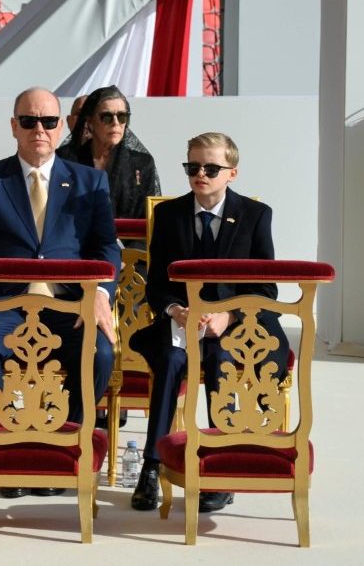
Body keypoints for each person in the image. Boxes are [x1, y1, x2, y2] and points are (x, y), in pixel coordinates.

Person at [0, 87, 120, 498]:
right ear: (13, 126)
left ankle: (63, 452)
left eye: (48, 121)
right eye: (28, 121)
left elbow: (106, 246)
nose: (38, 129)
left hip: (68, 305)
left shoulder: (90, 181)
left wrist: (101, 293)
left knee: (100, 354)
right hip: (4, 305)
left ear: (61, 128)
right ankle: (2, 454)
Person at [128, 132, 284, 515]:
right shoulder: (169, 215)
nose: (200, 174)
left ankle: (219, 471)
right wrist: (174, 311)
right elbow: (156, 284)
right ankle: (151, 467)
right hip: (181, 323)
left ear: (232, 173)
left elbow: (266, 288)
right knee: (169, 361)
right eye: (192, 166)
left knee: (219, 360)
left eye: (211, 168)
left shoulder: (255, 215)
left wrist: (229, 316)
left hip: (235, 327)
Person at [64, 84, 161, 219]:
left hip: (129, 233)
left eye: (122, 117)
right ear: (90, 122)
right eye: (107, 116)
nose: (116, 123)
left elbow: (149, 218)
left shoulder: (142, 163)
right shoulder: (64, 160)